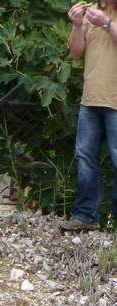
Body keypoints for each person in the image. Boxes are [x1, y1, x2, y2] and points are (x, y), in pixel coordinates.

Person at [65, 0, 117, 231]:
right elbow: (76, 53)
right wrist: (77, 25)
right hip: (91, 100)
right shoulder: (92, 10)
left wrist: (106, 24)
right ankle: (85, 217)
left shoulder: (101, 17)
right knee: (85, 158)